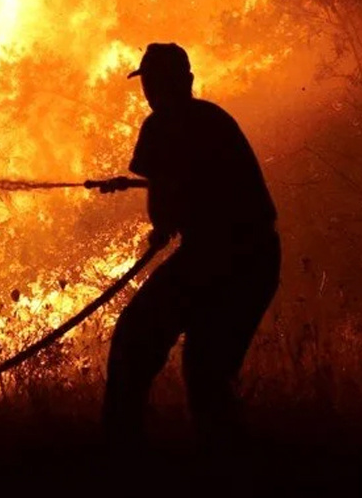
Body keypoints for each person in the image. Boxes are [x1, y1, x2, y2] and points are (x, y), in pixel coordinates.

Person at [94, 42, 280, 451]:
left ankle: (119, 455)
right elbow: (198, 181)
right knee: (208, 370)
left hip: (219, 256)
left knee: (135, 341)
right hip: (257, 257)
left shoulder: (161, 125)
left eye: (155, 82)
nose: (151, 91)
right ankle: (224, 462)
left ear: (181, 82)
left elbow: (165, 206)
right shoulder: (213, 118)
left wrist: (160, 228)